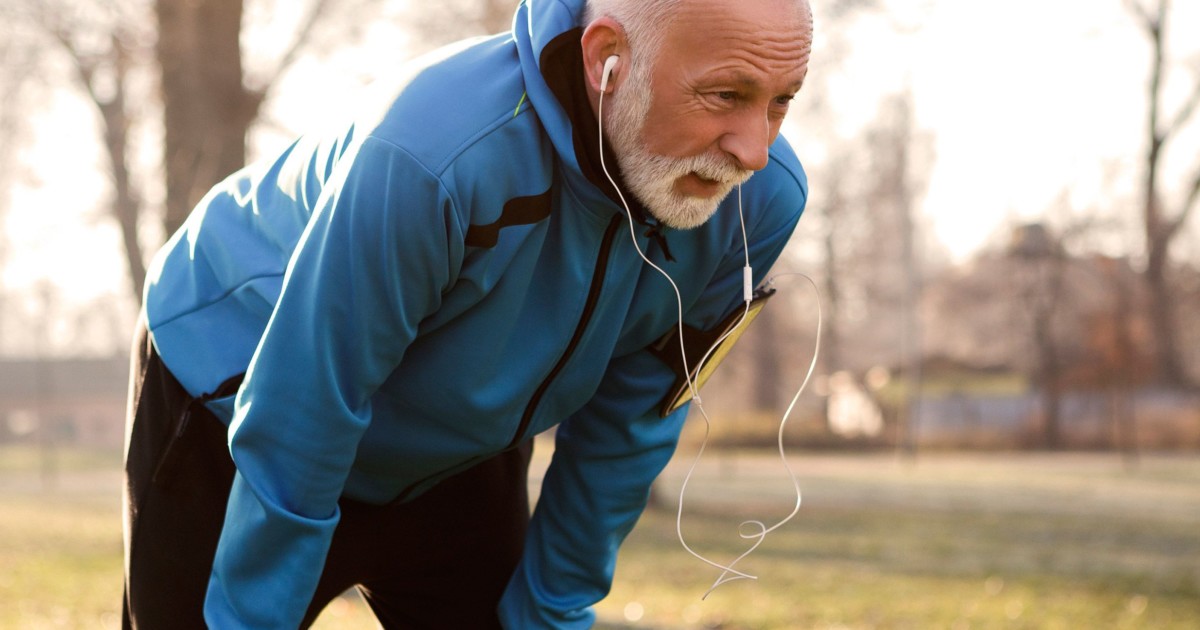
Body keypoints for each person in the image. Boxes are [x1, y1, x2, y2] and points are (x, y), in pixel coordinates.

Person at [121, 0, 814, 627]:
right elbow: (307, 402)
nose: (753, 149)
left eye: (780, 102)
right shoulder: (435, 152)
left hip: (457, 451)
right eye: (725, 95)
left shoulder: (759, 202)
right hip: (241, 399)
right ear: (609, 59)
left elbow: (630, 420)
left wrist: (552, 607)